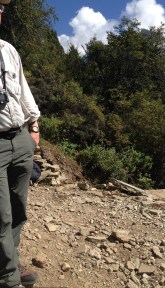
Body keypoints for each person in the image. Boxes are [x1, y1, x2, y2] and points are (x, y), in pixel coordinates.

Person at [0, 0, 40, 287]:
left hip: (20, 138)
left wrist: (34, 126)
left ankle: (9, 262)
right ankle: (8, 279)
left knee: (17, 210)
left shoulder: (9, 50)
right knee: (1, 215)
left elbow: (22, 90)